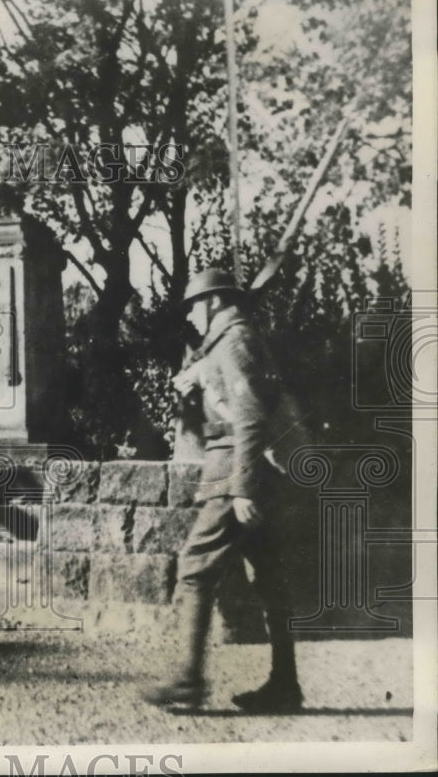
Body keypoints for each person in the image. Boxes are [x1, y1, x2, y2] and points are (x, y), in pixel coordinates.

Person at [143, 268, 303, 713]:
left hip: (237, 469)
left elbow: (250, 414)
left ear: (212, 302)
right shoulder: (227, 341)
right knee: (270, 577)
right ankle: (285, 686)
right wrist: (199, 374)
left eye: (194, 305)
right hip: (248, 469)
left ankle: (187, 683)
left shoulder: (234, 339)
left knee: (196, 567)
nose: (191, 315)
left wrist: (242, 489)